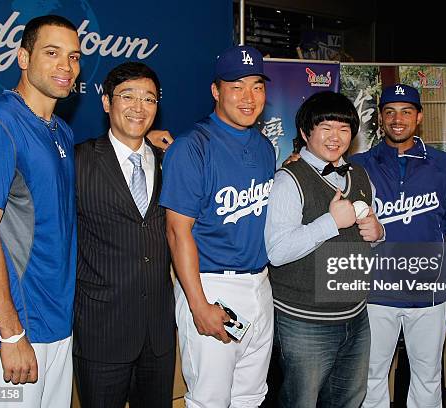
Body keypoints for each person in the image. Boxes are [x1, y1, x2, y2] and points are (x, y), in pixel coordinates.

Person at [0, 15, 80, 407]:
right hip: (7, 333)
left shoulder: (61, 131)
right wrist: (11, 333)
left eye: (74, 57)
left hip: (56, 324)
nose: (66, 66)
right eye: (52, 53)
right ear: (23, 57)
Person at [159, 45, 275, 407]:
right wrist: (198, 304)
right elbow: (177, 231)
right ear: (216, 90)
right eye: (236, 86)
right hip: (212, 284)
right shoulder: (192, 147)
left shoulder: (264, 146)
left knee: (251, 397)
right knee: (210, 400)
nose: (248, 97)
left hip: (260, 284)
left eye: (257, 86)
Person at [349, 84, 446, 408]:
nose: (397, 119)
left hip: (428, 289)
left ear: (419, 117)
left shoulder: (442, 164)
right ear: (380, 118)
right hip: (376, 289)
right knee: (371, 374)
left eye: (406, 111)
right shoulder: (360, 164)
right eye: (389, 112)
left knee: (427, 376)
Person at [265, 91, 383, 407]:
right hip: (305, 320)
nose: (335, 137)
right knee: (300, 401)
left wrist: (378, 232)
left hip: (356, 313)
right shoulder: (288, 179)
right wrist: (330, 222)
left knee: (349, 399)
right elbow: (276, 251)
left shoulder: (359, 174)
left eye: (344, 129)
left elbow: (367, 229)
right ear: (305, 132)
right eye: (326, 127)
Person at [73, 62, 175, 407]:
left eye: (149, 99)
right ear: (106, 102)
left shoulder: (169, 161)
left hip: (158, 334)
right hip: (102, 331)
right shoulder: (79, 161)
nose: (139, 107)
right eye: (127, 96)